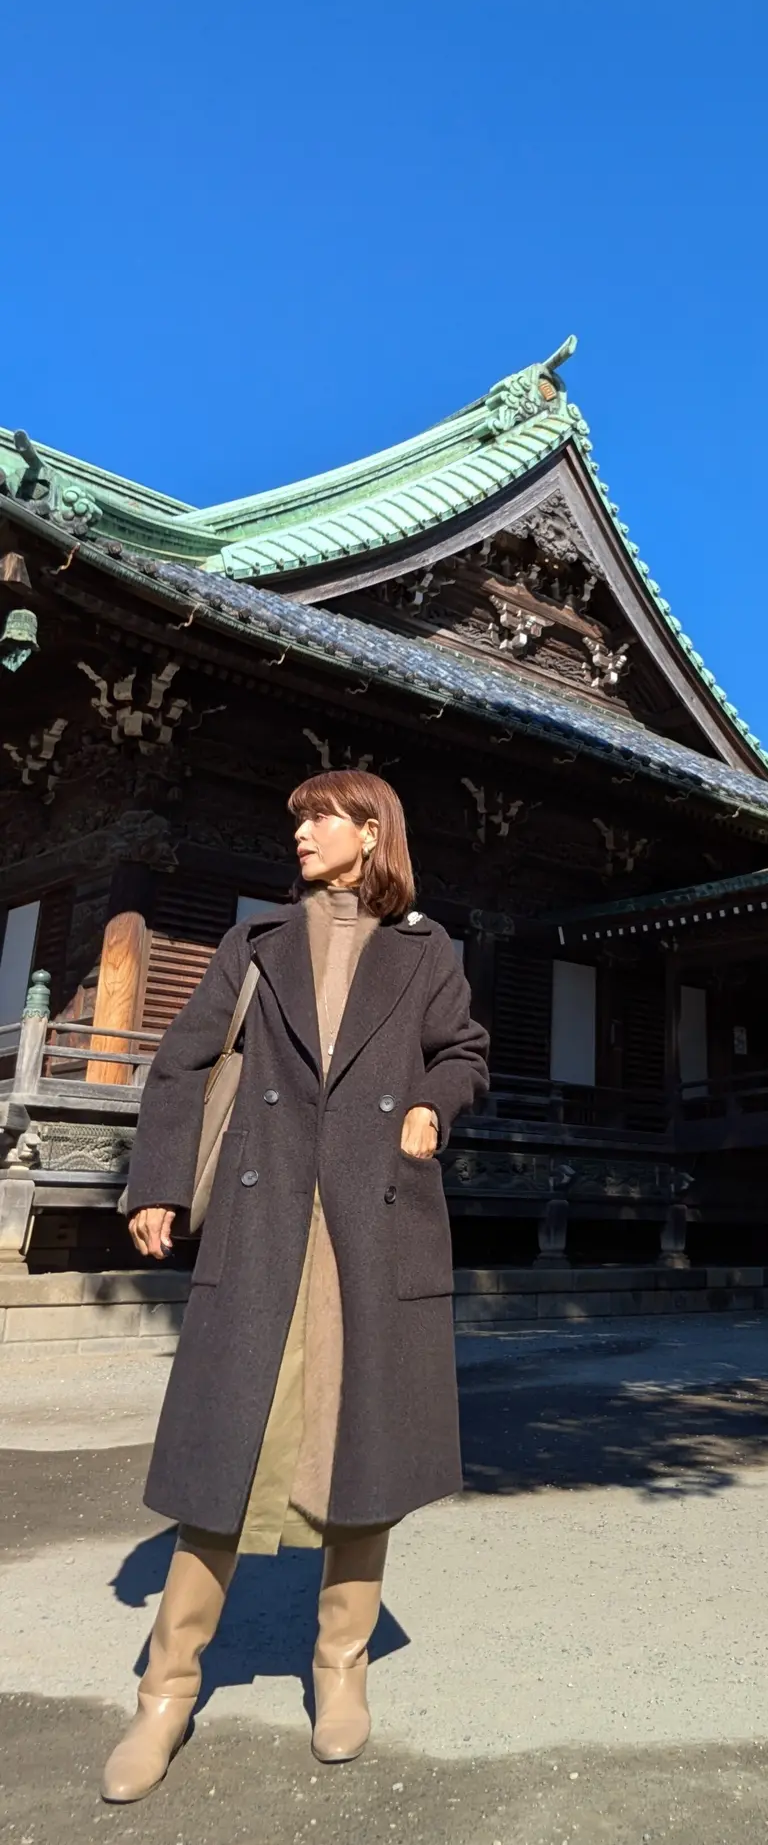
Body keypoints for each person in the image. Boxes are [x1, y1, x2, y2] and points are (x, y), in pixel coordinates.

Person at [102, 771, 489, 1803]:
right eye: (298, 819)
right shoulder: (254, 942)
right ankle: (165, 1687)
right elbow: (182, 1064)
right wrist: (156, 1185)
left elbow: (466, 1052)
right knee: (227, 1446)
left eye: (323, 816)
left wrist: (431, 1108)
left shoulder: (426, 949)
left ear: (372, 833)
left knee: (359, 1444)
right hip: (263, 1219)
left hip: (375, 1221)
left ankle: (342, 1661)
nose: (303, 832)